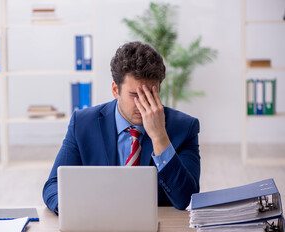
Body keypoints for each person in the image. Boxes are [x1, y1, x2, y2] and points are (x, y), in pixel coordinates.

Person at [43, 41, 200, 215]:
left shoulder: (185, 127)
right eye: (134, 95)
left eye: (151, 94)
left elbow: (186, 199)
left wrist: (159, 137)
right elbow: (53, 186)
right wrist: (78, 211)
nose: (143, 104)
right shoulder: (82, 124)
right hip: (97, 222)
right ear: (115, 90)